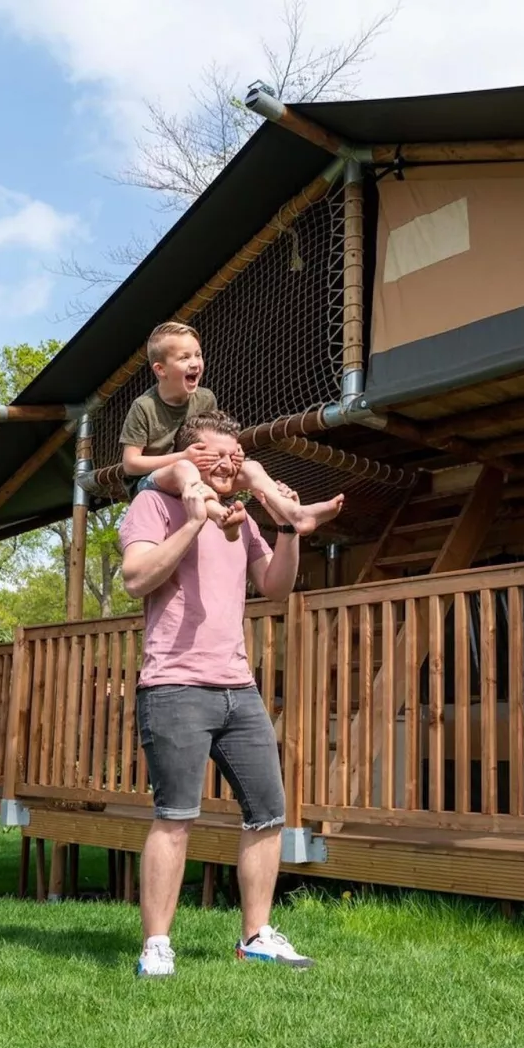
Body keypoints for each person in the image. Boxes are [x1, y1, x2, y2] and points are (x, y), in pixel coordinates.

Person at [119, 410, 336, 977]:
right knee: (175, 815)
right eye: (217, 455)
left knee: (268, 812)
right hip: (173, 684)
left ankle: (256, 936)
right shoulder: (153, 506)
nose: (228, 465)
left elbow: (275, 587)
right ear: (189, 457)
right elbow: (137, 577)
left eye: (235, 457)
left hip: (239, 688)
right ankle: (157, 945)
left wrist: (288, 531)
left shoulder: (243, 517)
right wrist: (193, 522)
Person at [120, 321, 344, 541]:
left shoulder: (205, 398)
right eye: (184, 358)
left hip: (198, 473)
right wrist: (183, 457)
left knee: (252, 467)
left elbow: (216, 436)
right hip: (151, 482)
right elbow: (131, 464)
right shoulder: (144, 407)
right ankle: (219, 515)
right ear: (160, 370)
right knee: (184, 468)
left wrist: (232, 452)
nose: (195, 363)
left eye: (198, 355)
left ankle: (296, 514)